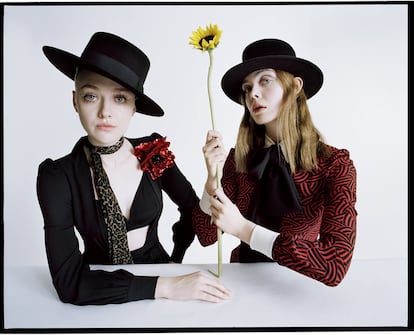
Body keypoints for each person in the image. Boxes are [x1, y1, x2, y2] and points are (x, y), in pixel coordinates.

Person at [37, 32, 230, 305]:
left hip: (166, 278)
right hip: (100, 287)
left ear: (133, 108)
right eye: (91, 96)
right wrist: (165, 286)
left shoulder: (154, 151)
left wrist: (212, 179)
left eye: (120, 99)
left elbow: (196, 215)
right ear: (75, 102)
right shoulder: (56, 177)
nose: (106, 112)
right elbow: (69, 284)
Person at [193, 38, 357, 287]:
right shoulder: (240, 159)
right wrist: (212, 180)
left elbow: (333, 267)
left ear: (295, 85)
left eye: (265, 80)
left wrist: (244, 230)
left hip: (298, 285)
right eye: (247, 88)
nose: (253, 94)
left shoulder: (334, 164)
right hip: (240, 282)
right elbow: (205, 235)